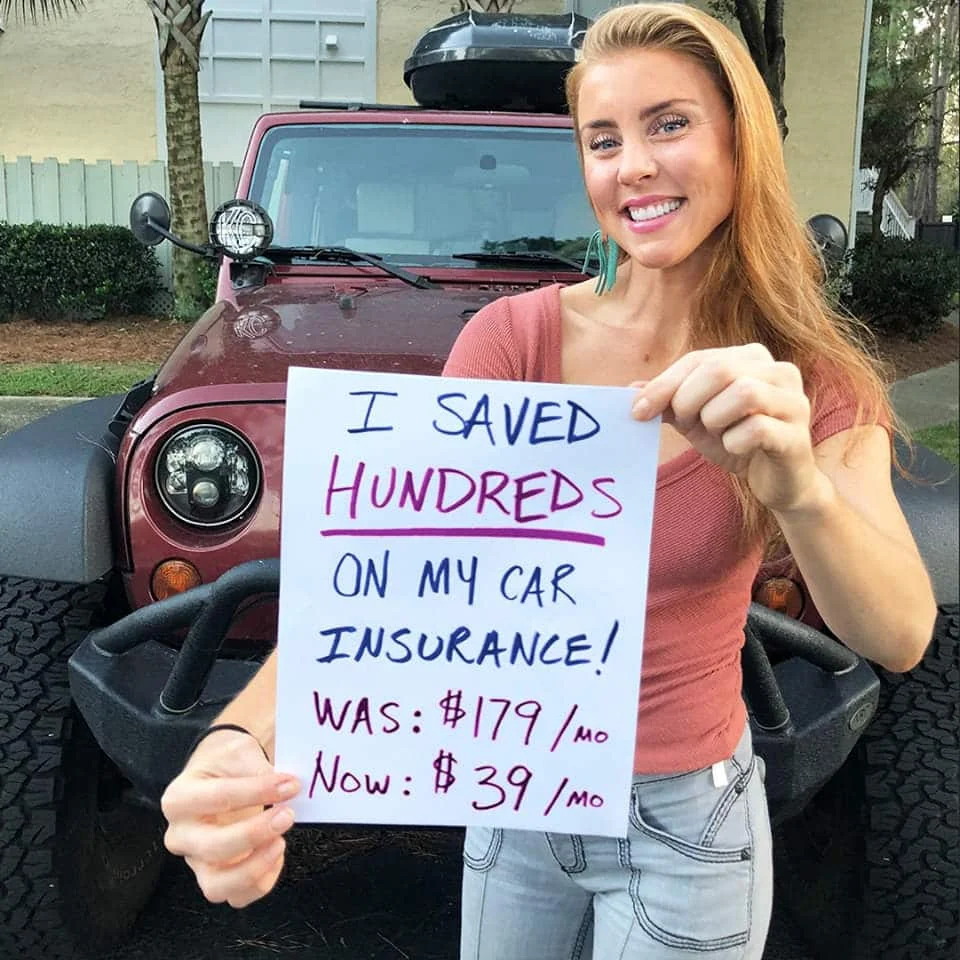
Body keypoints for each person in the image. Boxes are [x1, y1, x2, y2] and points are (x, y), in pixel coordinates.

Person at [160, 4, 937, 958]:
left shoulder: (807, 379)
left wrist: (799, 490)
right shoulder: (513, 341)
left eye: (670, 123)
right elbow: (389, 581)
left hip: (688, 825)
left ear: (743, 141)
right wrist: (241, 743)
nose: (633, 165)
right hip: (515, 793)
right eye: (602, 139)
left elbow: (897, 634)